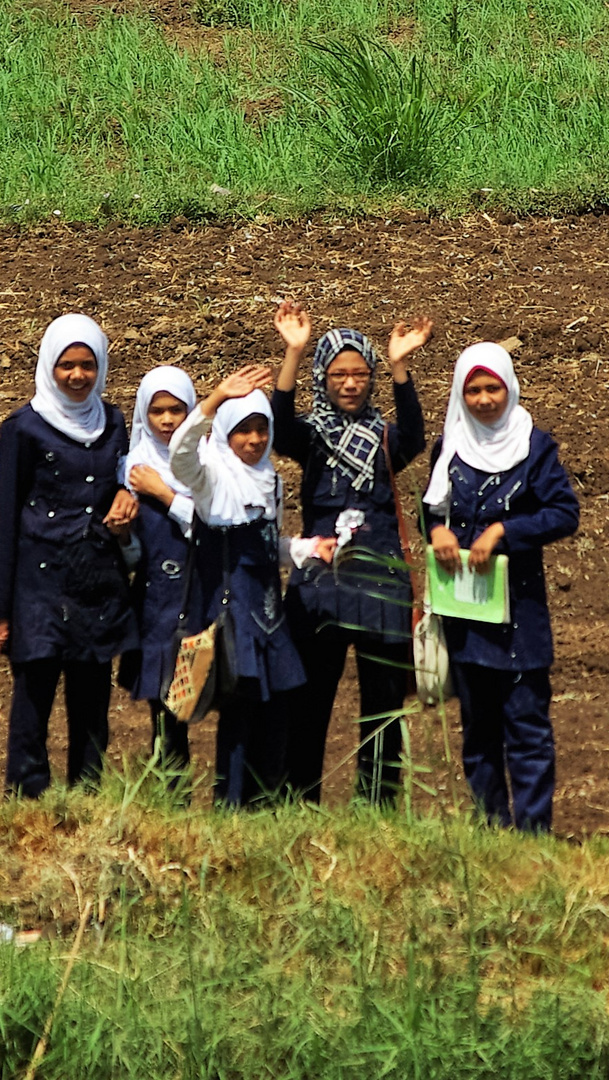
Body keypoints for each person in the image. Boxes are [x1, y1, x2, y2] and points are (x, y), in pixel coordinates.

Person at [271, 301, 433, 806]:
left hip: (380, 586)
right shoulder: (310, 435)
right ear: (324, 376)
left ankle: (377, 808)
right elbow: (277, 426)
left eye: (360, 374)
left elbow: (416, 437)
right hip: (321, 586)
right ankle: (300, 800)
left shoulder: (385, 438)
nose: (349, 383)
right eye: (338, 374)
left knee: (383, 703)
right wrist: (294, 352)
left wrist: (400, 368)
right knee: (307, 700)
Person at [423, 342, 578, 832]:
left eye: (493, 388)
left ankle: (533, 835)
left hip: (519, 615)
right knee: (478, 729)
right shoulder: (449, 445)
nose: (485, 399)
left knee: (528, 728)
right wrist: (438, 531)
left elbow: (563, 513)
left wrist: (505, 532)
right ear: (459, 393)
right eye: (473, 390)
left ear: (509, 388)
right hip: (466, 609)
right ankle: (491, 830)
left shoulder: (534, 448)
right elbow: (432, 507)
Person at [0, 313, 138, 799]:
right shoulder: (24, 429)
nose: (76, 376)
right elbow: (6, 519)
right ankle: (26, 801)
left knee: (92, 702)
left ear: (102, 367)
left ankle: (86, 801)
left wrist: (124, 498)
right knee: (33, 699)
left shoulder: (113, 422)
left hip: (96, 581)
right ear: (48, 366)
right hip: (39, 587)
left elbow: (125, 481)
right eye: (66, 366)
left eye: (87, 366)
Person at [168, 365, 319, 808]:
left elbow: (268, 547)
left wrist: (309, 549)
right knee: (237, 718)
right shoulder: (211, 477)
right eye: (242, 431)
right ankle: (229, 809)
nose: (253, 440)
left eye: (260, 430)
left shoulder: (271, 479)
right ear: (226, 434)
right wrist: (213, 401)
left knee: (273, 716)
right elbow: (180, 453)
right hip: (232, 619)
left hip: (269, 617)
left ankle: (265, 808)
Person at [118, 366, 198, 784]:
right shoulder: (132, 468)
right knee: (166, 713)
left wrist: (164, 494)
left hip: (200, 598)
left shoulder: (207, 462)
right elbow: (131, 555)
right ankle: (173, 793)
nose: (167, 421)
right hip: (156, 604)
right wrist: (121, 532)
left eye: (176, 410)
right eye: (157, 412)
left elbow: (210, 526)